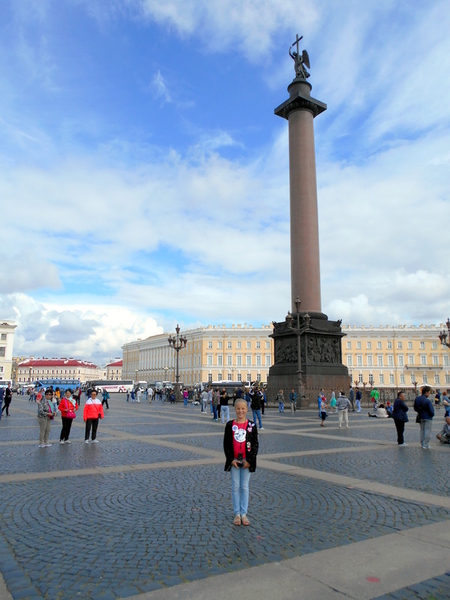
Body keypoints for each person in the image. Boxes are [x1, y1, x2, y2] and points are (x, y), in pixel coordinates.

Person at [223, 399, 259, 527]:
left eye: (243, 409)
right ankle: (237, 513)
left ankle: (244, 513)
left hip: (246, 461)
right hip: (234, 461)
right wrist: (230, 459)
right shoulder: (229, 425)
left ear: (247, 410)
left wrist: (250, 461)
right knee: (235, 486)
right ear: (235, 410)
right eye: (238, 408)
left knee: (244, 487)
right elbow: (226, 444)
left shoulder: (251, 426)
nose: (240, 411)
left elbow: (255, 445)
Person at [414, 385, 435, 450]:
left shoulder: (417, 398)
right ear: (426, 392)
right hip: (427, 417)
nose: (429, 393)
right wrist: (432, 414)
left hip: (420, 416)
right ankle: (425, 444)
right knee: (427, 431)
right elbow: (431, 410)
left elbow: (415, 408)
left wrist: (419, 412)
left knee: (422, 430)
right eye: (429, 392)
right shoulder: (427, 400)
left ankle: (422, 443)